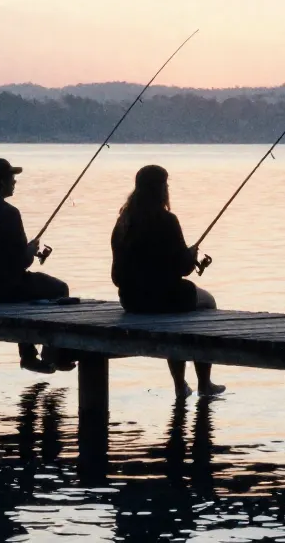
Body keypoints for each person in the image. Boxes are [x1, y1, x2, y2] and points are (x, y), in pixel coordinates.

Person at [111, 164, 225, 397]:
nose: (167, 189)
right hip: (167, 298)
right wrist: (190, 255)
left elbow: (116, 276)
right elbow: (183, 269)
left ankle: (179, 385)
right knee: (208, 304)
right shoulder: (167, 220)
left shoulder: (123, 222)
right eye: (166, 185)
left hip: (131, 300)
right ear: (160, 189)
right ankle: (205, 383)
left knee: (177, 322)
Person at [0, 157, 72, 374]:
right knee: (60, 289)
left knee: (28, 289)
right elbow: (22, 261)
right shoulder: (9, 213)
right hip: (4, 289)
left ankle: (29, 356)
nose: (14, 182)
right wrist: (30, 251)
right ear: (2, 182)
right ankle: (53, 354)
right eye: (12, 178)